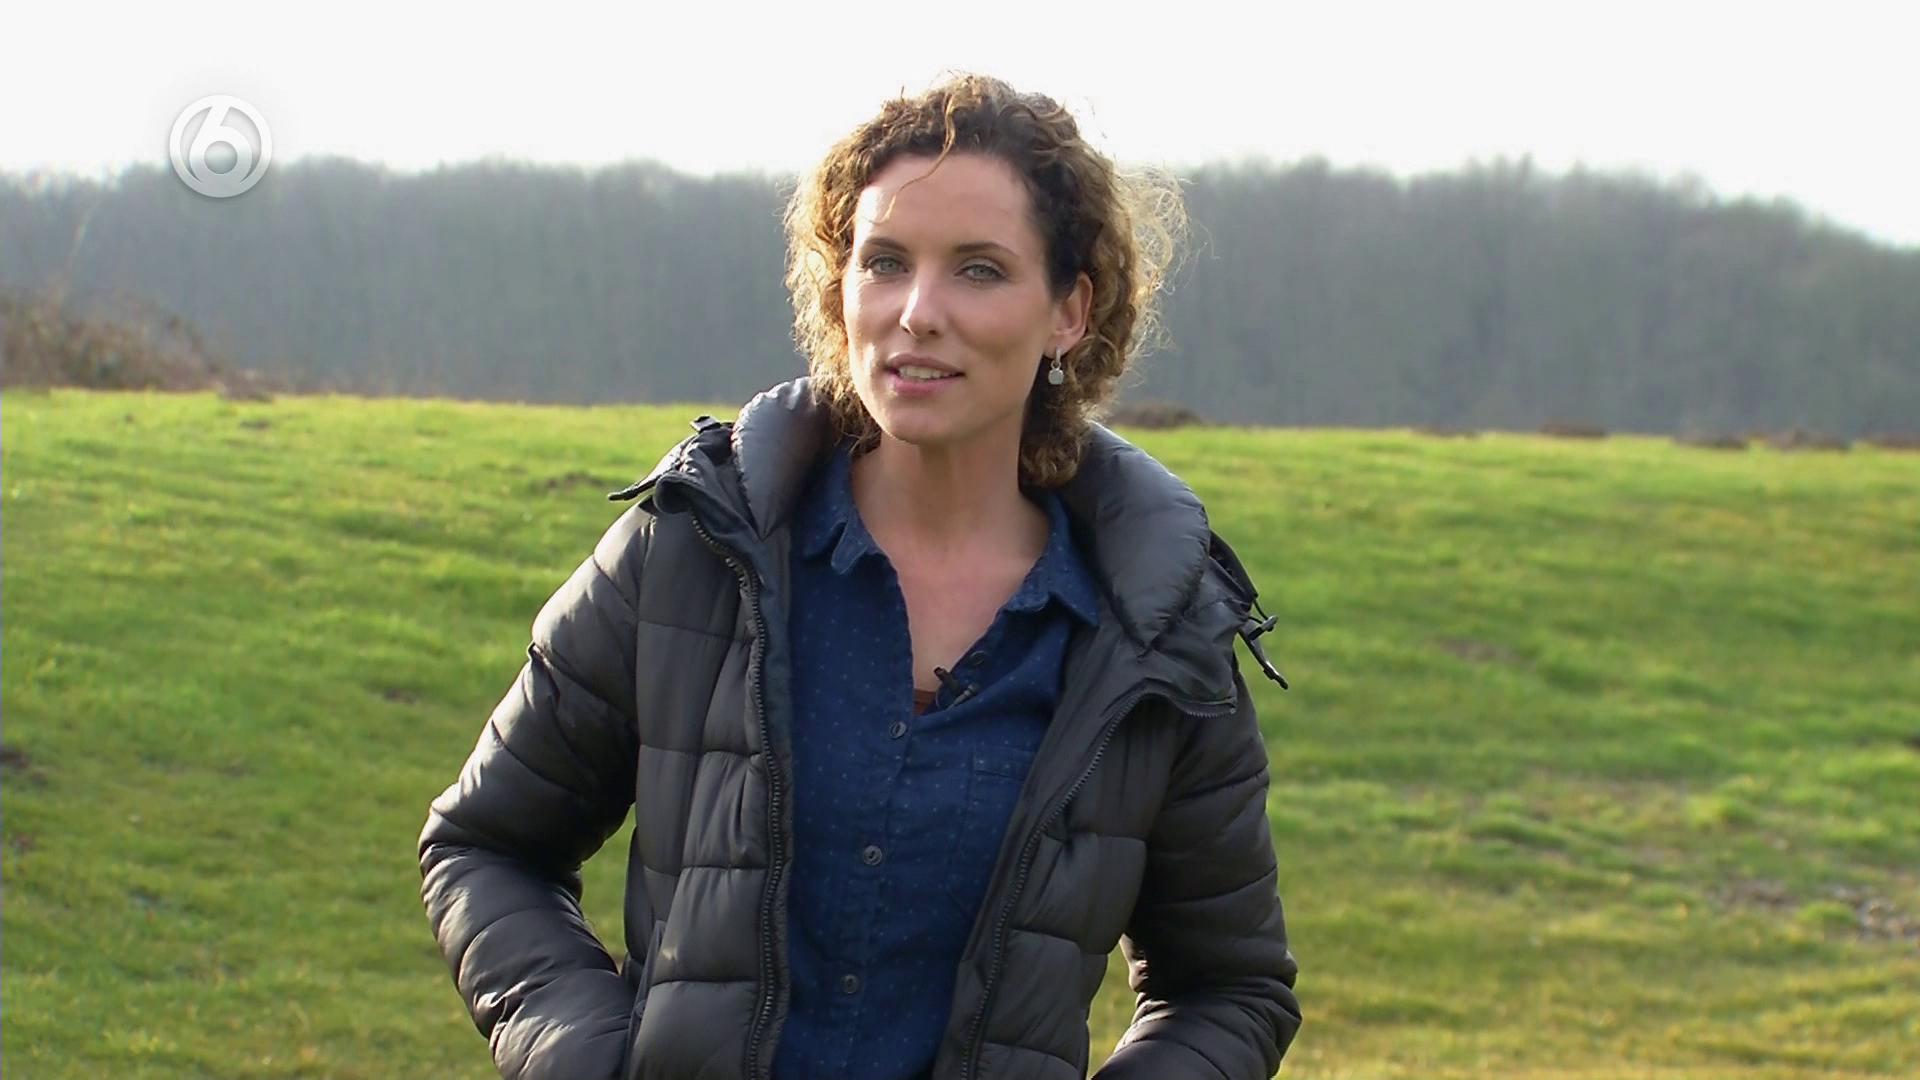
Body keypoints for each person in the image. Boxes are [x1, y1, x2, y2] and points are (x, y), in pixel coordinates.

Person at [419, 73, 1300, 1080]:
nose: (917, 312)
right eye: (884, 262)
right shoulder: (694, 551)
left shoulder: (1155, 631)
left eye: (978, 270)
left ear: (1069, 310)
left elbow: (1229, 988)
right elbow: (486, 847)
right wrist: (588, 1057)